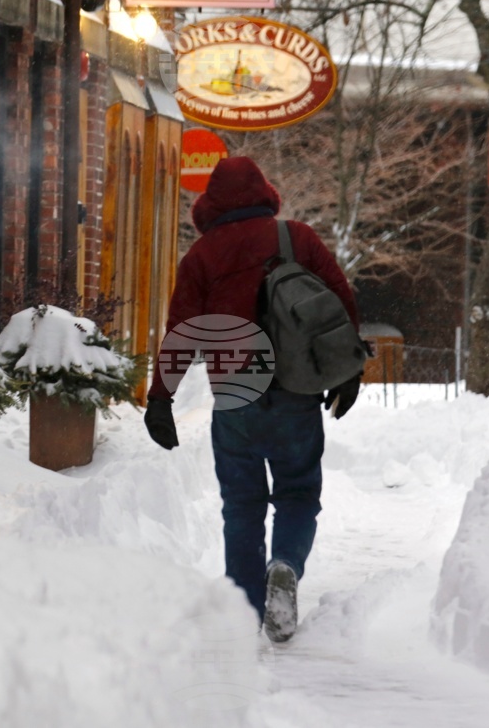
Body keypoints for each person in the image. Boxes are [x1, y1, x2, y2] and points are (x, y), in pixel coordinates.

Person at [142, 156, 363, 642]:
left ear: (211, 203)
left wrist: (161, 398)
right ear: (264, 191)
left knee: (241, 505)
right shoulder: (296, 238)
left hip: (235, 392)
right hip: (295, 387)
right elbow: (339, 299)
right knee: (297, 492)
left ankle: (243, 611)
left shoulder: (202, 256)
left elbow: (181, 332)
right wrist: (348, 370)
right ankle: (284, 564)